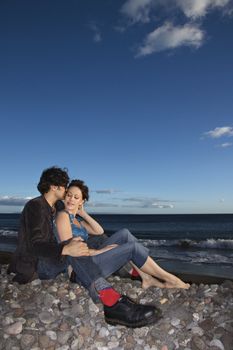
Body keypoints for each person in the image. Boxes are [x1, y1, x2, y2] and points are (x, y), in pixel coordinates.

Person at [8, 166, 162, 328]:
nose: (67, 189)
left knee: (96, 238)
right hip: (37, 264)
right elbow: (34, 246)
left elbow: (89, 229)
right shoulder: (35, 206)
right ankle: (111, 303)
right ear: (54, 187)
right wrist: (66, 249)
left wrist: (83, 224)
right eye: (65, 185)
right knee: (73, 244)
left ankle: (125, 267)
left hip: (56, 257)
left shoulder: (58, 206)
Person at [55, 179, 190, 292]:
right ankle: (171, 279)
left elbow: (99, 231)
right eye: (69, 195)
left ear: (82, 202)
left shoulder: (77, 221)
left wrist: (83, 213)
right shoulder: (62, 216)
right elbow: (69, 251)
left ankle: (146, 278)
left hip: (89, 260)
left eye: (76, 197)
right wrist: (100, 251)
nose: (71, 199)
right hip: (80, 271)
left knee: (124, 234)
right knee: (132, 248)